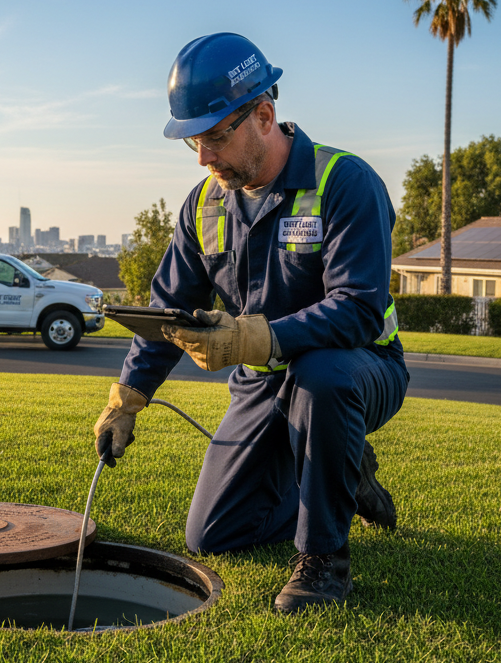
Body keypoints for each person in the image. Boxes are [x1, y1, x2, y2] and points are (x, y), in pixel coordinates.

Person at [94, 33, 408, 614]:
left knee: (320, 377)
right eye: (193, 141)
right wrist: (129, 397)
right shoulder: (204, 205)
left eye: (215, 137)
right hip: (264, 383)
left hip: (360, 369)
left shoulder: (345, 182)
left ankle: (323, 561)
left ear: (264, 116)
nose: (203, 157)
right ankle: (343, 472)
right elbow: (169, 306)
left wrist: (257, 337)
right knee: (212, 535)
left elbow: (360, 307)